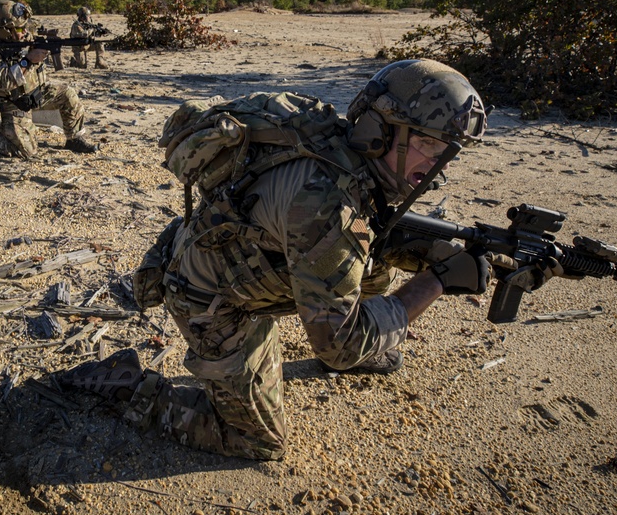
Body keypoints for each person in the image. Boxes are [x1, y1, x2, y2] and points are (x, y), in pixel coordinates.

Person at [59, 59, 561, 461]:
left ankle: (364, 327)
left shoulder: (349, 155)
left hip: (250, 260)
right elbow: (336, 347)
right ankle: (127, 385)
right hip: (212, 297)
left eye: (447, 150)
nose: (438, 165)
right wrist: (435, 281)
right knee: (256, 443)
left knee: (377, 256)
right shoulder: (325, 204)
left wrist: (462, 254)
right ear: (380, 132)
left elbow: (378, 236)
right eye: (428, 145)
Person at [0, 0, 98, 155]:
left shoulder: (17, 38)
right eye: (19, 28)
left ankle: (74, 139)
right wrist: (29, 60)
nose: (24, 31)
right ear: (4, 30)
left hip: (33, 94)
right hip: (10, 104)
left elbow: (30, 40)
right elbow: (5, 81)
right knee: (25, 151)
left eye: (25, 27)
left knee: (67, 95)